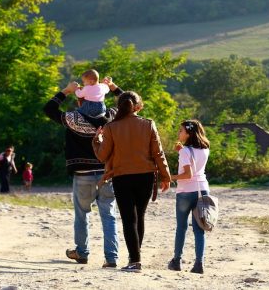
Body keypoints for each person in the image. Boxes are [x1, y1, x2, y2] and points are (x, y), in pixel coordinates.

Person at [43, 79, 122, 268]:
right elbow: (131, 103)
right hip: (106, 174)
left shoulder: (72, 119)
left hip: (82, 175)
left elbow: (49, 109)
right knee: (109, 216)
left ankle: (82, 253)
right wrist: (114, 88)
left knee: (82, 215)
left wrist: (66, 91)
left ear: (81, 101)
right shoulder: (111, 117)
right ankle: (111, 258)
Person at [92, 91, 172, 273]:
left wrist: (96, 141)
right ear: (137, 106)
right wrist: (166, 176)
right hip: (146, 176)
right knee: (139, 216)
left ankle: (135, 260)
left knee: (129, 219)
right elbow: (158, 153)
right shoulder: (148, 124)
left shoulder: (112, 127)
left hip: (122, 177)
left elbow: (103, 156)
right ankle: (135, 257)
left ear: (119, 106)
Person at [167, 119, 211, 275]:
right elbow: (196, 164)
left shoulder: (186, 151)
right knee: (200, 228)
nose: (179, 133)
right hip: (202, 190)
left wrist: (169, 177)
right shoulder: (205, 149)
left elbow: (187, 174)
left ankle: (176, 261)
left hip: (186, 192)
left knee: (181, 227)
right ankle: (199, 264)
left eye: (181, 130)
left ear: (189, 133)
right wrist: (181, 151)